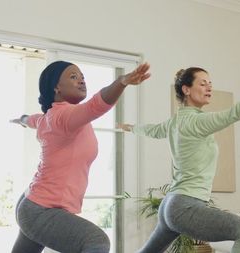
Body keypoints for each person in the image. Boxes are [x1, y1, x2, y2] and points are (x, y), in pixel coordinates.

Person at [117, 67, 240, 253]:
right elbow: (234, 113)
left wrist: (130, 128)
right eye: (202, 84)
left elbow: (152, 130)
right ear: (186, 90)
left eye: (210, 84)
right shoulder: (196, 122)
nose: (209, 87)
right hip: (184, 205)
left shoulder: (175, 122)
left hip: (170, 205)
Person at [10, 60, 150, 253]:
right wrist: (121, 82)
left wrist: (22, 120)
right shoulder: (64, 117)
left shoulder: (50, 117)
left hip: (32, 204)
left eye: (82, 77)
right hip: (42, 209)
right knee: (96, 241)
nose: (81, 81)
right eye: (73, 77)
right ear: (56, 87)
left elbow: (33, 120)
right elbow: (96, 105)